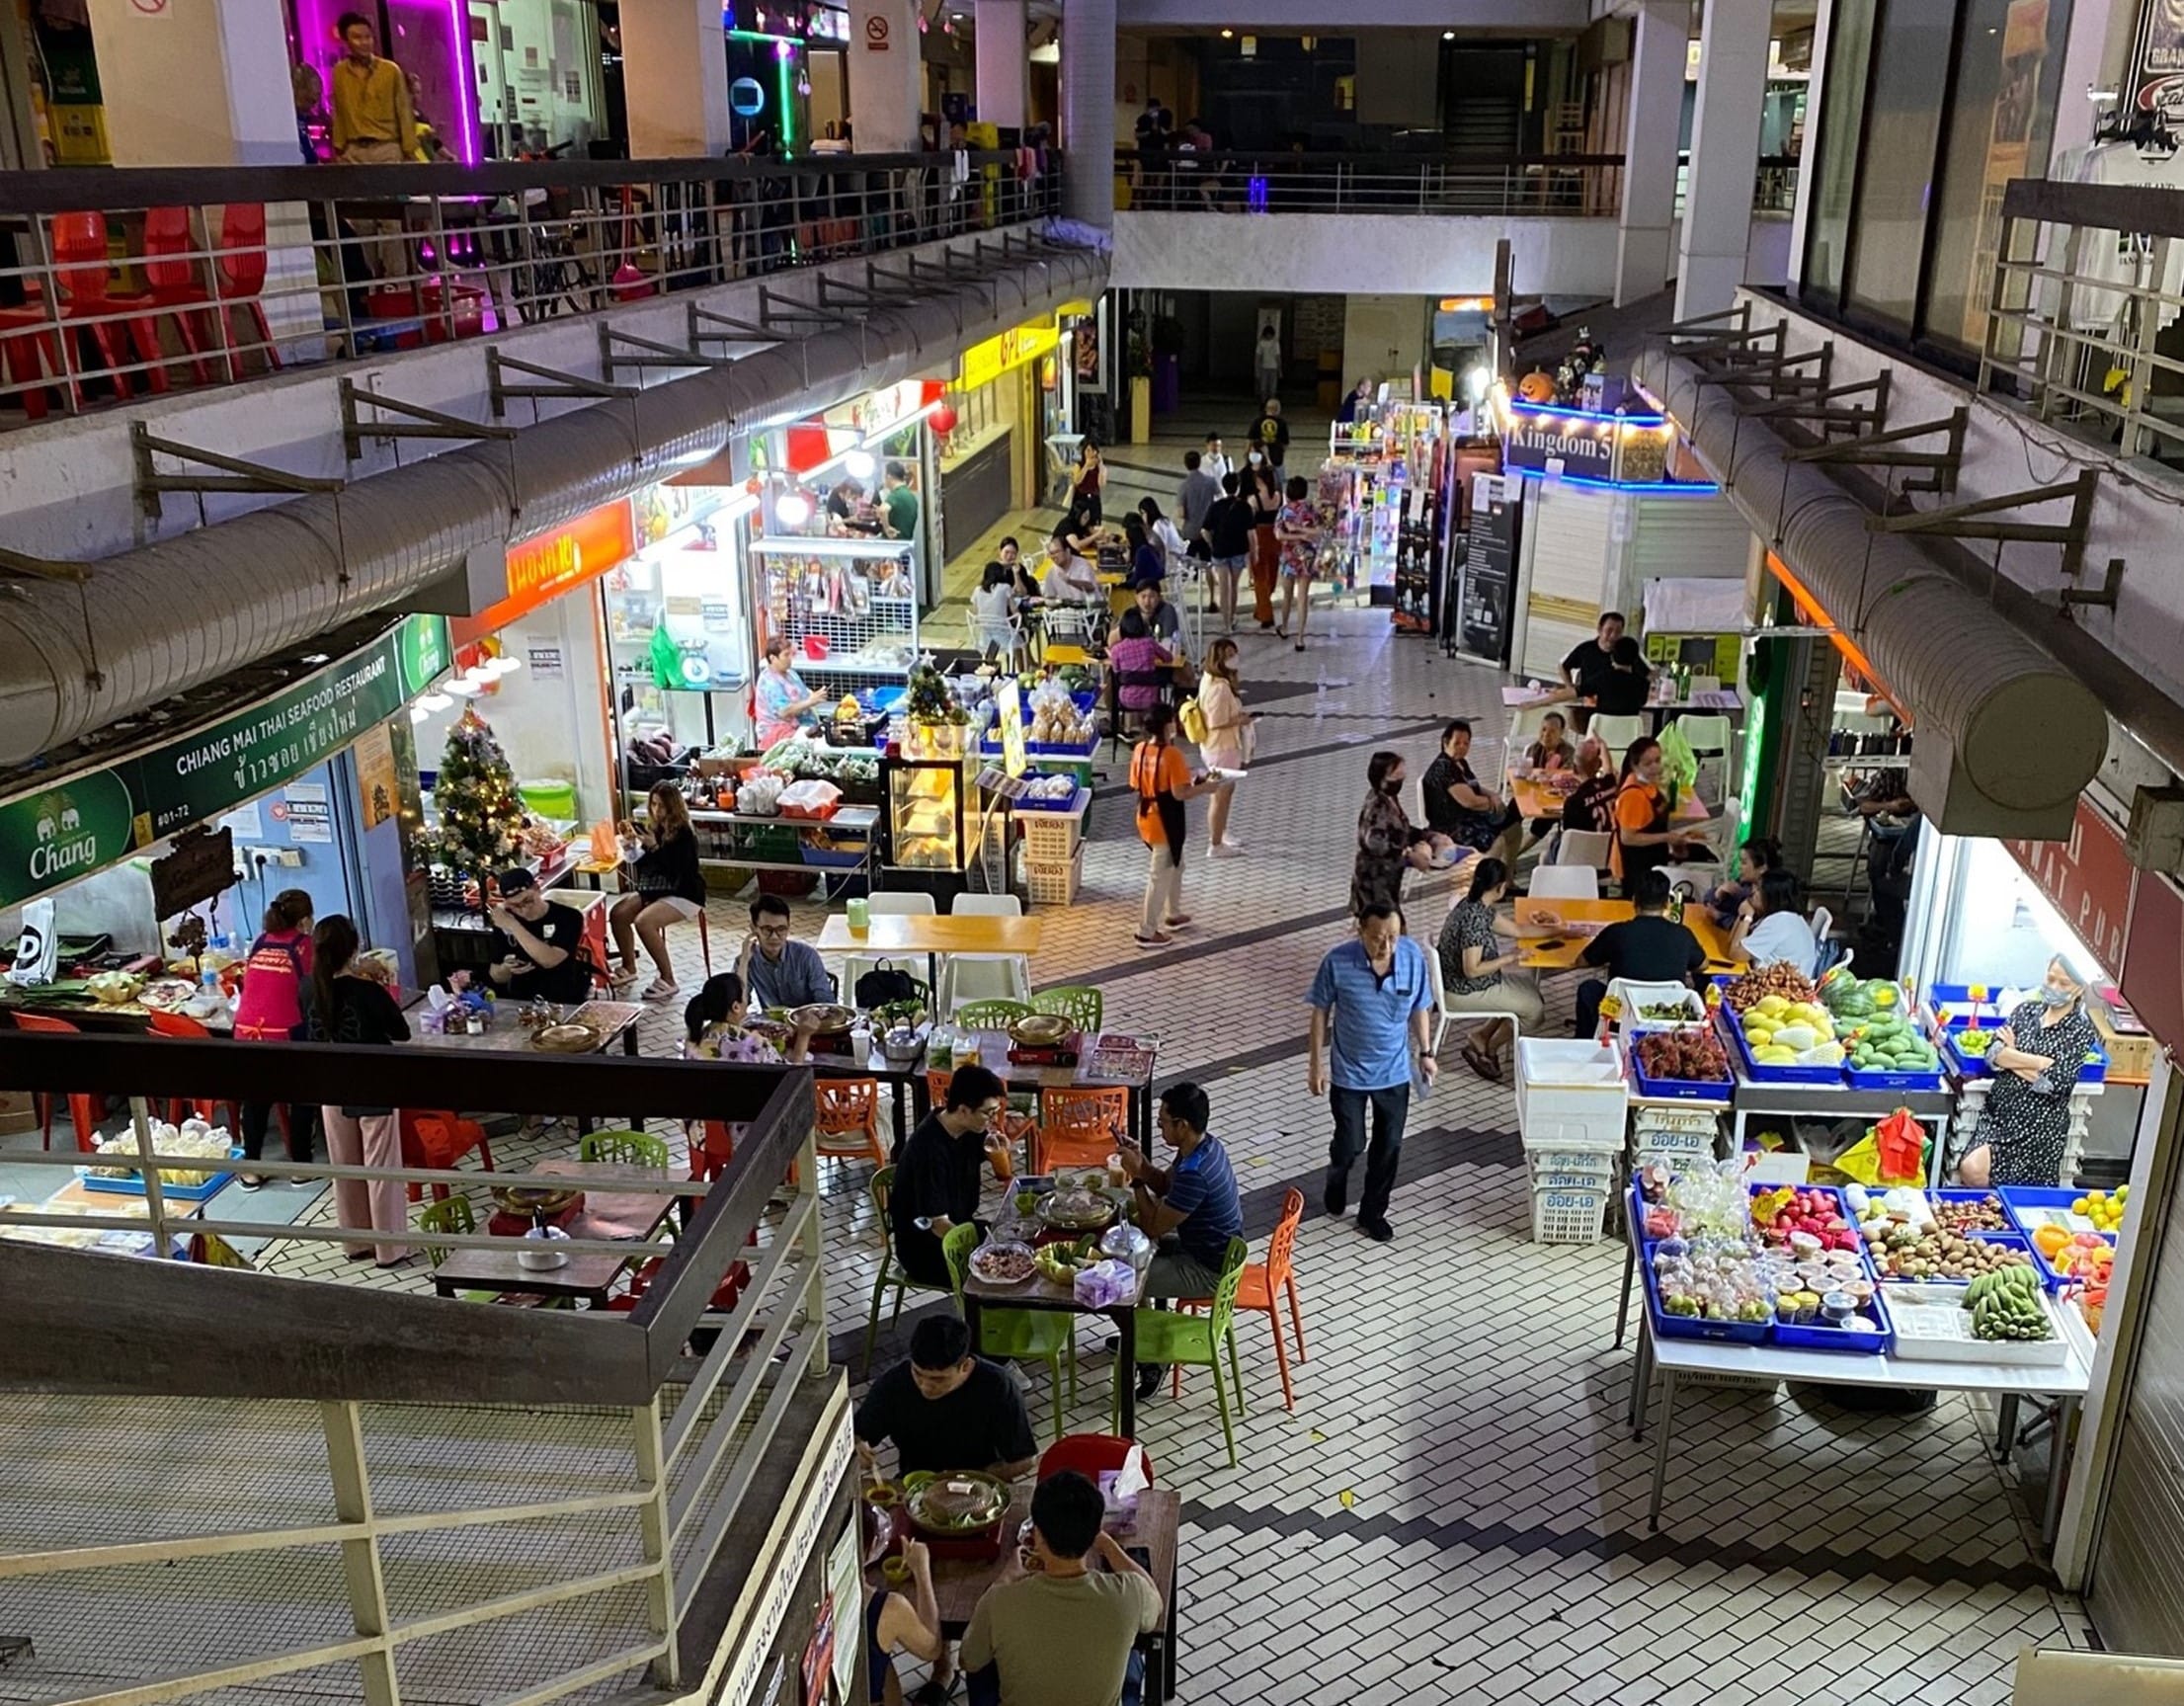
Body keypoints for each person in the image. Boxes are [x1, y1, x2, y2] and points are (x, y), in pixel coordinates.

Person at [960, 1470, 1163, 1706]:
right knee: (1133, 1656)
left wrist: (1005, 1577)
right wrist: (1108, 1546)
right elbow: (1155, 1601)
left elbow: (969, 1660)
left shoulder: (999, 1601)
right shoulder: (1130, 1594)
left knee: (985, 1661)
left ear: (1037, 1535)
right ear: (1094, 1532)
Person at [1308, 905, 1436, 1243]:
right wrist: (1316, 1065)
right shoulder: (1337, 961)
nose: (1387, 946)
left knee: (1388, 1146)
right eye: (1378, 938)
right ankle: (1337, 1173)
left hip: (1394, 1072)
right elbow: (1320, 1010)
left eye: (1393, 937)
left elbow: (1420, 1006)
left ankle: (1372, 1212)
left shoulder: (1412, 957)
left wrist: (1426, 1052)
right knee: (1351, 1143)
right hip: (1349, 1072)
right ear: (1360, 930)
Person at [1119, 1080, 1244, 1397]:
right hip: (1209, 1249)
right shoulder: (1204, 1148)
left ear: (1182, 1125)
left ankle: (1150, 1359)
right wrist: (1142, 1163)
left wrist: (1136, 1178)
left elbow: (1153, 1227)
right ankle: (1141, 1333)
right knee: (1131, 1254)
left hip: (1208, 1270)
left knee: (1125, 1280)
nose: (1159, 1128)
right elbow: (1164, 1185)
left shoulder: (1195, 1174)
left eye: (1163, 1122)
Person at [304, 915, 412, 1266]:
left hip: (331, 1089)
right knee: (382, 1172)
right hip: (374, 1088)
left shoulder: (308, 989)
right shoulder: (367, 991)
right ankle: (390, 1250)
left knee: (346, 1169)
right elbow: (401, 1033)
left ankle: (355, 1244)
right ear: (354, 948)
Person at [1956, 958, 2104, 1188]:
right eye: (2050, 979)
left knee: (2016, 1191)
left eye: (2063, 983)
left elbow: (2055, 1084)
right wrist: (2040, 1062)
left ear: (2079, 989)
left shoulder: (2080, 1031)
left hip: (2039, 1130)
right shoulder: (2025, 1011)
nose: (2054, 987)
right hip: (1997, 1119)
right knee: (1970, 1169)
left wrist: (2012, 1056)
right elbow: (1993, 1054)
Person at [855, 1312, 1039, 1478]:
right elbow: (858, 1433)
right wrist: (857, 1446)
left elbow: (1024, 1459)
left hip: (979, 1484)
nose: (925, 1386)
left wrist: (969, 1478)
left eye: (938, 1379)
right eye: (918, 1374)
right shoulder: (894, 1383)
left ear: (965, 1366)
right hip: (916, 1482)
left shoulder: (997, 1386)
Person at [889, 1065, 1012, 1286]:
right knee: (1001, 1273)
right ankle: (979, 1307)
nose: (993, 1120)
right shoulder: (929, 1150)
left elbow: (1000, 1171)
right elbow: (939, 1225)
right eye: (988, 1113)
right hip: (926, 1248)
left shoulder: (969, 1129)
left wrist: (1000, 1151)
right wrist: (983, 1256)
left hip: (961, 1224)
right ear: (963, 1110)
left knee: (1015, 1242)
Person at [232, 888, 317, 1186]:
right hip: (284, 1032)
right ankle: (301, 1166)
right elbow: (321, 983)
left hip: (246, 1032)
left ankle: (251, 1169)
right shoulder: (305, 946)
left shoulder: (260, 942)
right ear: (305, 920)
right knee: (302, 1096)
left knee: (255, 1100)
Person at [1435, 857, 1544, 1082]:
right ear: (1501, 887)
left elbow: (1518, 931)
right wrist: (1510, 958)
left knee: (1530, 990)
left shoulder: (1474, 904)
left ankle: (1481, 1036)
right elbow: (1472, 970)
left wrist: (1561, 930)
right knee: (1535, 1010)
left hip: (1464, 984)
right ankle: (1489, 1049)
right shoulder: (1474, 920)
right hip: (1463, 991)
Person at [1572, 869, 1708, 1038]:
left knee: (1588, 989)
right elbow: (1703, 965)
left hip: (1621, 1013)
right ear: (1667, 904)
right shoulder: (1683, 934)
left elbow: (1581, 961)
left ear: (1634, 901)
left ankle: (1587, 1043)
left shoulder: (1616, 932)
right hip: (1666, 1014)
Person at [1130, 703, 1218, 950]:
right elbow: (1179, 794)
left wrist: (1190, 781)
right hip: (1165, 822)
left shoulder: (1139, 749)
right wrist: (1206, 787)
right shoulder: (1172, 755)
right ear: (1168, 725)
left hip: (1145, 816)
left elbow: (1136, 783)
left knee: (1176, 864)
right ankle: (1146, 932)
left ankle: (1173, 913)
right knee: (1159, 875)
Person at [610, 783, 706, 1002]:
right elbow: (647, 867)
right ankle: (629, 966)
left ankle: (668, 978)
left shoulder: (684, 834)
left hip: (685, 892)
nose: (656, 810)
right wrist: (631, 847)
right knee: (618, 913)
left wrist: (655, 848)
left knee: (644, 922)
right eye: (653, 804)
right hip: (656, 889)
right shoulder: (654, 829)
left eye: (661, 806)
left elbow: (678, 870)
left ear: (673, 807)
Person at [1352, 750, 1457, 919]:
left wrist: (1429, 836)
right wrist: (1409, 854)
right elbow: (1374, 842)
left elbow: (1401, 830)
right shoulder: (1377, 805)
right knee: (1387, 927)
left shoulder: (1390, 798)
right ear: (1381, 777)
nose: (1400, 779)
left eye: (1402, 775)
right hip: (1374, 881)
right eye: (1396, 775)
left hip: (1388, 878)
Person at [1610, 736, 1705, 898]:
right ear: (1635, 765)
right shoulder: (1633, 796)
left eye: (1657, 760)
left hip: (1653, 859)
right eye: (1648, 764)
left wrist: (1681, 837)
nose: (1655, 767)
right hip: (1637, 865)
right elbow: (1628, 838)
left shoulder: (1649, 784)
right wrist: (1667, 837)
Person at [1418, 719, 1523, 866]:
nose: (1462, 747)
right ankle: (1487, 879)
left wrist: (1493, 795)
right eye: (1457, 743)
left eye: (1466, 743)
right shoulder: (1444, 769)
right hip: (1451, 826)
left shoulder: (1460, 762)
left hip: (1468, 817)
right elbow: (1470, 802)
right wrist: (1492, 803)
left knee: (1515, 828)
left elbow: (1474, 787)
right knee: (1496, 841)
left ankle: (1507, 874)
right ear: (1446, 742)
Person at [485, 869, 592, 1004]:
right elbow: (495, 975)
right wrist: (506, 969)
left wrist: (514, 926)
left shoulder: (568, 917)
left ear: (537, 888)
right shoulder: (505, 921)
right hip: (522, 997)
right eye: (515, 905)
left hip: (562, 995)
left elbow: (549, 960)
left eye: (527, 901)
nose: (524, 909)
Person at [863, 1531, 945, 1706]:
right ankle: (943, 1675)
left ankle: (943, 1675)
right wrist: (921, 1570)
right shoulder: (888, 1607)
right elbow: (932, 1649)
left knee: (879, 1654)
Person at [1195, 637, 1252, 856]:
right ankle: (1215, 844)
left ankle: (1221, 831)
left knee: (1226, 792)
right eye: (1228, 655)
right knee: (1219, 795)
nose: (1234, 659)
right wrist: (1240, 720)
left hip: (1219, 746)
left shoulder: (1211, 680)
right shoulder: (1219, 688)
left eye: (1234, 654)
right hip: (1221, 748)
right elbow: (1216, 721)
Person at [682, 972, 814, 1063]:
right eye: (745, 996)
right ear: (736, 1007)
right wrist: (804, 1034)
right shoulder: (754, 1044)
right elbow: (792, 1075)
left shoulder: (693, 1040)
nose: (747, 1001)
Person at [737, 893, 837, 1010]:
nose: (774, 936)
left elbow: (827, 1003)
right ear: (753, 928)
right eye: (767, 929)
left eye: (781, 929)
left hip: (808, 1017)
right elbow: (737, 1006)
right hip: (771, 1020)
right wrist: (744, 961)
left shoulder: (806, 956)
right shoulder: (746, 960)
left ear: (788, 927)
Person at [1731, 866, 1820, 975]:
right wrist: (1743, 915)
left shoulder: (1779, 922)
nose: (1753, 891)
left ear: (1772, 896)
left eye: (1759, 889)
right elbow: (1731, 942)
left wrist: (1747, 916)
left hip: (1779, 984)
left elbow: (1735, 954)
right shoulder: (1787, 918)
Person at [1199, 472, 1254, 633]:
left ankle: (1227, 625)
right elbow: (1251, 533)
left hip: (1220, 550)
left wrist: (1211, 544)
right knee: (1233, 586)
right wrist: (1253, 553)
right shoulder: (1245, 507)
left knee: (1224, 588)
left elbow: (1204, 530)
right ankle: (1232, 616)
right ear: (1238, 487)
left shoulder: (1215, 507)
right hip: (1239, 550)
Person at [1272, 476, 1321, 650]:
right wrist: (1303, 534)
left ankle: (1285, 627)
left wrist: (1295, 532)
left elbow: (1279, 535)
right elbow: (1318, 531)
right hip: (1307, 556)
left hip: (1288, 557)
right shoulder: (1311, 510)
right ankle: (1300, 638)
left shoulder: (1284, 511)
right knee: (1302, 598)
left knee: (1287, 595)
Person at [1104, 607, 1173, 728]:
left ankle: (1118, 726)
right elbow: (1168, 658)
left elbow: (1116, 671)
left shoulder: (1117, 650)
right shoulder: (1149, 643)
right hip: (1150, 698)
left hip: (1126, 699)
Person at [755, 636, 824, 746]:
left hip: (804, 726)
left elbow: (803, 696)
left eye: (791, 654)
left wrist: (815, 697)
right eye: (786, 655)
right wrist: (810, 702)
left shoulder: (790, 674)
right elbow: (784, 712)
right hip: (780, 733)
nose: (790, 658)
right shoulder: (769, 682)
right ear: (773, 658)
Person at [1244, 455, 1282, 631]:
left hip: (1259, 537)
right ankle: (1262, 608)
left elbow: (1248, 522)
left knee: (1260, 578)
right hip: (1275, 537)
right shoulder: (1279, 496)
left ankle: (1266, 615)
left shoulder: (1254, 499)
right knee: (1272, 576)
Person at [1709, 835, 1782, 926]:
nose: (1739, 867)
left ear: (1762, 868)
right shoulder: (1743, 886)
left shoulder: (1767, 896)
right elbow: (1708, 901)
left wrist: (1720, 917)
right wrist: (1719, 894)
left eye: (1743, 862)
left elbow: (1748, 926)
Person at [1561, 610, 1627, 706]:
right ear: (1600, 629)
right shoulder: (1586, 649)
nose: (1613, 636)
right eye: (1609, 630)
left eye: (1618, 632)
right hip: (1589, 702)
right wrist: (1570, 688)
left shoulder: (1626, 652)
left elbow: (1647, 674)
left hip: (1615, 704)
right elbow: (1563, 667)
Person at [1563, 737, 1620, 837]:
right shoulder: (1609, 785)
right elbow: (1608, 768)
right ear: (1599, 765)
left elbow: (1569, 837)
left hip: (1584, 846)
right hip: (1612, 843)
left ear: (1574, 768)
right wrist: (1602, 744)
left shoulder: (1573, 802)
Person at [972, 561, 1021, 665]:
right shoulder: (1005, 587)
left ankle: (988, 665)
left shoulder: (977, 590)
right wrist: (1019, 622)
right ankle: (1020, 668)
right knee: (1019, 640)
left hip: (985, 635)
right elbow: (1015, 611)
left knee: (995, 637)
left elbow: (976, 613)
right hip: (1003, 634)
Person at [1595, 634, 1654, 715]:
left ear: (1612, 657)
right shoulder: (1642, 682)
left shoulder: (1602, 677)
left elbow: (1581, 691)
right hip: (1630, 723)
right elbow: (1642, 702)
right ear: (1635, 659)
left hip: (1603, 722)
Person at [1176, 449, 1220, 543]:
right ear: (1199, 463)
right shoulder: (1211, 481)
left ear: (1185, 464)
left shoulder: (1183, 486)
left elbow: (1181, 513)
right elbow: (1219, 496)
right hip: (1208, 530)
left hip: (1191, 531)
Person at [1138, 496, 1188, 570]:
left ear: (1148, 512)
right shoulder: (1165, 521)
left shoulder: (1157, 525)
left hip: (1171, 561)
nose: (1142, 517)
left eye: (1143, 513)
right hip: (1177, 558)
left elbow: (1159, 548)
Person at [1249, 395, 1290, 483]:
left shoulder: (1257, 421)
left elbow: (1250, 440)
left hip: (1259, 461)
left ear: (1266, 408)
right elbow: (1285, 443)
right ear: (1277, 409)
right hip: (1276, 460)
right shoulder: (1282, 423)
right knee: (1278, 484)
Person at [1121, 513, 1165, 593]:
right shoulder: (1145, 546)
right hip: (1149, 583)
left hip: (1149, 587)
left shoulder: (1143, 551)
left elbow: (1135, 580)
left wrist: (1119, 585)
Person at [881, 461, 922, 544]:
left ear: (889, 477)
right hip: (906, 542)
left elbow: (883, 510)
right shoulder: (910, 496)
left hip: (894, 544)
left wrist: (887, 528)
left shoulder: (896, 495)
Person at [1070, 441, 1107, 525]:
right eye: (1088, 450)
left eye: (1093, 450)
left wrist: (1101, 467)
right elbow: (1077, 481)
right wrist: (1086, 466)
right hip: (1080, 498)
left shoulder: (1101, 468)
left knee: (1094, 523)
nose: (1090, 453)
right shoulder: (1078, 466)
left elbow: (1101, 484)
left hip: (1094, 499)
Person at [1254, 328, 1282, 407]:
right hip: (1265, 367)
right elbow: (1257, 357)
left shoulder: (1275, 343)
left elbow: (1278, 357)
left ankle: (1269, 404)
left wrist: (1279, 370)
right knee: (1264, 388)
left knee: (1271, 389)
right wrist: (1257, 369)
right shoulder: (1262, 343)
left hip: (1272, 368)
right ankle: (1264, 403)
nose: (1269, 336)